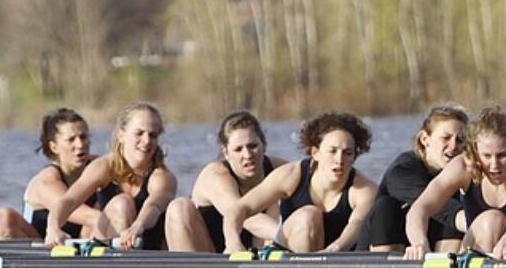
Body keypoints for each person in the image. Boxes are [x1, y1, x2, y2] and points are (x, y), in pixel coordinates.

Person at [404, 106, 506, 263]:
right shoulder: (463, 167)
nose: (494, 165)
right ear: (475, 150)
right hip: (475, 261)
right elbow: (420, 208)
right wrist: (419, 243)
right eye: (487, 156)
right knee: (492, 220)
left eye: (502, 156)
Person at [224, 111, 377, 253]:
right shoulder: (291, 175)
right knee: (309, 216)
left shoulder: (365, 190)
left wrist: (334, 249)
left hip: (335, 257)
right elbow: (239, 209)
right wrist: (233, 241)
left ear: (355, 157)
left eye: (347, 153)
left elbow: (356, 224)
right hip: (289, 255)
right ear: (315, 153)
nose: (339, 160)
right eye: (332, 151)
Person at [45, 101, 177, 250]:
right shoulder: (104, 166)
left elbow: (153, 206)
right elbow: (68, 201)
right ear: (121, 135)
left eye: (152, 135)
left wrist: (137, 226)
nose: (146, 141)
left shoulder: (163, 177)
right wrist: (53, 227)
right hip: (106, 245)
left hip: (146, 250)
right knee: (122, 203)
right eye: (139, 133)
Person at [164, 111, 286, 252]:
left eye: (252, 146)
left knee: (280, 197)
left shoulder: (281, 169)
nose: (247, 155)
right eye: (238, 149)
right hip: (210, 251)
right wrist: (288, 236)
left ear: (264, 144)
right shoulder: (216, 176)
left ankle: (267, 263)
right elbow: (244, 217)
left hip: (258, 246)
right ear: (226, 153)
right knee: (179, 207)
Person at [364, 104, 469, 254]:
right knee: (386, 207)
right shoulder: (401, 171)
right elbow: (433, 205)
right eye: (446, 138)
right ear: (425, 139)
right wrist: (473, 224)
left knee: (455, 200)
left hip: (429, 252)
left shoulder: (464, 171)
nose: (453, 146)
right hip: (385, 253)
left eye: (460, 140)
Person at [0, 108, 102, 240]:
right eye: (71, 140)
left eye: (83, 137)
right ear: (54, 147)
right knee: (2, 218)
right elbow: (76, 212)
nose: (80, 144)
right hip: (43, 246)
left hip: (86, 241)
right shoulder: (46, 182)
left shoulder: (100, 166)